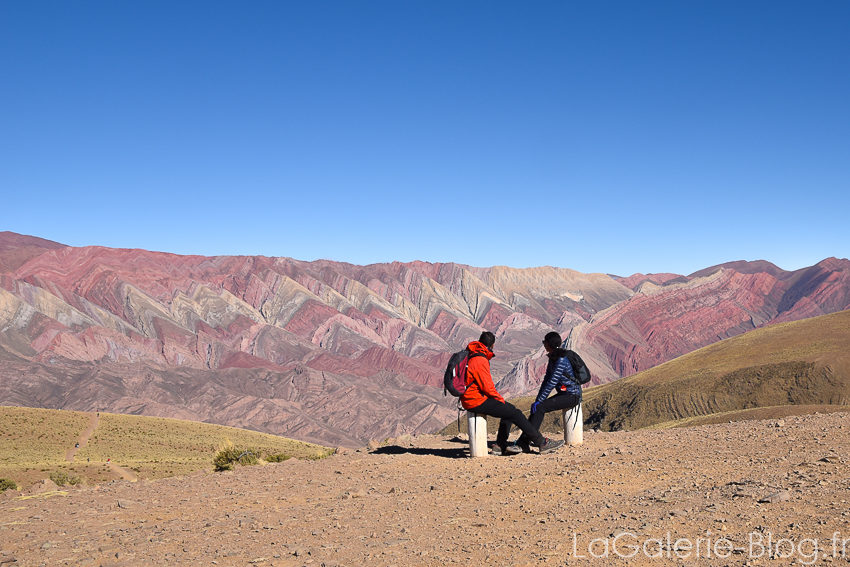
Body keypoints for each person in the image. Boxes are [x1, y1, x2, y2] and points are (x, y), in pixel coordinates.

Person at [461, 331, 564, 455]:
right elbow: (487, 388)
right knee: (515, 413)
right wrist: (499, 399)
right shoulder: (480, 359)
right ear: (492, 345)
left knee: (508, 410)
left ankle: (499, 445)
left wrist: (501, 402)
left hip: (470, 397)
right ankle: (541, 442)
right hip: (475, 400)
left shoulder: (472, 354)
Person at [512, 331, 582, 453]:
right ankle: (524, 442)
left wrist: (539, 401)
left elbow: (551, 383)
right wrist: (538, 400)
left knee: (540, 408)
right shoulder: (554, 357)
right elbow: (546, 381)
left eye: (544, 342)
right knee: (538, 407)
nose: (543, 344)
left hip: (572, 395)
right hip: (565, 393)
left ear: (549, 344)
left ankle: (526, 443)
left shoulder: (560, 359)